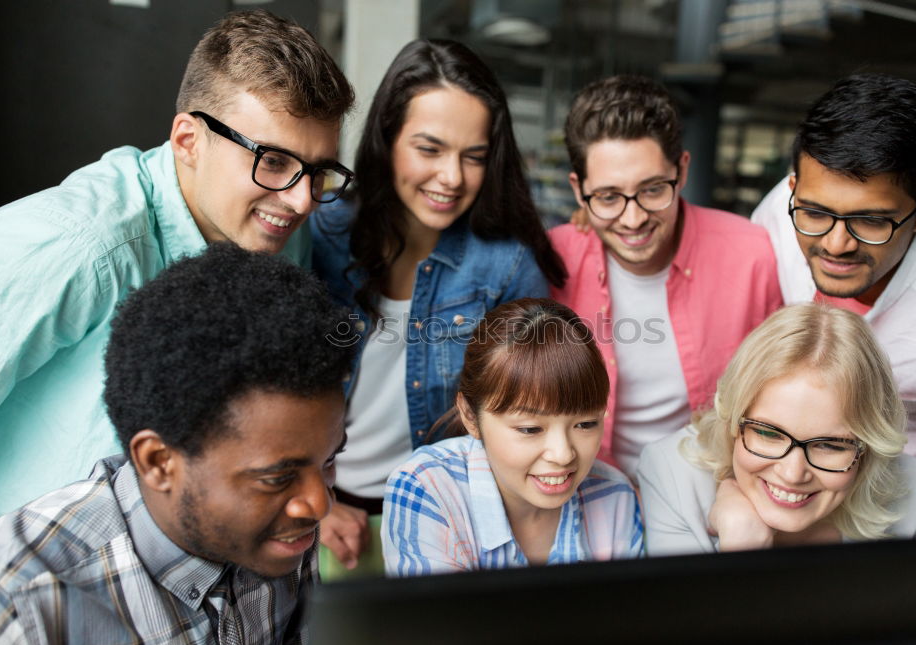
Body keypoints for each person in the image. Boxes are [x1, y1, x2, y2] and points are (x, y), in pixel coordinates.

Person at [0, 9, 354, 515]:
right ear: (188, 140)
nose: (302, 202)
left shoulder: (272, 231)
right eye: (272, 161)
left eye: (318, 172)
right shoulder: (82, 245)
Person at [0, 244, 354, 645]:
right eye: (276, 478)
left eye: (328, 460)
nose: (318, 503)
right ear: (157, 462)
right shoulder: (19, 609)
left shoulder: (283, 530)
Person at [311, 39, 565, 570]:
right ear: (387, 140)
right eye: (429, 149)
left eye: (473, 157)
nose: (452, 177)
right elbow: (268, 386)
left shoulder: (505, 266)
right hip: (319, 513)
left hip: (449, 519)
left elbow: (526, 414)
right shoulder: (320, 235)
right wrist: (313, 497)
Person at [750, 73, 916, 532]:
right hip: (819, 498)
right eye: (816, 213)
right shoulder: (781, 215)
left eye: (870, 221)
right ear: (793, 188)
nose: (836, 244)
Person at [550, 74, 782, 480]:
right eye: (607, 197)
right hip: (584, 490)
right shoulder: (552, 262)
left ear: (683, 170)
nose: (633, 218)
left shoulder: (752, 256)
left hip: (707, 485)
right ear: (578, 190)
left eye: (653, 190)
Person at [638, 303, 916, 555]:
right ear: (732, 422)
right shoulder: (672, 473)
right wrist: (742, 550)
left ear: (867, 447)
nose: (792, 473)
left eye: (830, 445)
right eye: (769, 434)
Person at [382, 298, 643, 575]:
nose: (563, 454)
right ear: (471, 416)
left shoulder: (615, 494)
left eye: (586, 424)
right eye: (530, 429)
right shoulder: (426, 487)